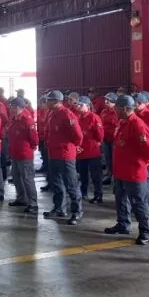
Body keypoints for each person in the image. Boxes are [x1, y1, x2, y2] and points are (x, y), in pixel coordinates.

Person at [104, 95, 149, 245]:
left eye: (117, 108)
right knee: (120, 199)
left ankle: (145, 232)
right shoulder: (123, 122)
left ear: (126, 108)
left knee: (139, 203)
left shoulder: (137, 125)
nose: (115, 111)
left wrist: (143, 163)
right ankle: (123, 224)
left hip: (133, 171)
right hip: (121, 170)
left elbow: (148, 150)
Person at [43, 90, 84, 225]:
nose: (46, 102)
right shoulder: (52, 113)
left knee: (71, 184)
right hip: (53, 154)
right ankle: (59, 208)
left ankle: (76, 212)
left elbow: (78, 136)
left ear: (56, 102)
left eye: (49, 100)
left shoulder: (67, 115)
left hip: (65, 154)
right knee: (57, 183)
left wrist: (72, 146)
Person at [8, 97, 39, 212]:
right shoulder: (14, 118)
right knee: (16, 177)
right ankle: (22, 198)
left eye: (12, 106)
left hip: (24, 154)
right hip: (15, 153)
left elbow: (34, 138)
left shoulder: (26, 120)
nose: (10, 108)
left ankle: (33, 203)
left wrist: (31, 148)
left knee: (27, 178)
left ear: (18, 107)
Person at [76, 96, 104, 204]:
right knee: (83, 175)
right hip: (81, 151)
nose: (78, 107)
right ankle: (83, 192)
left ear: (87, 106)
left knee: (95, 175)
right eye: (78, 105)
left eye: (81, 105)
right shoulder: (78, 118)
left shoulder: (94, 118)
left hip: (92, 151)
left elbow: (100, 136)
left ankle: (98, 194)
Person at [100, 93, 119, 186]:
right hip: (105, 139)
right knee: (108, 158)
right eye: (106, 100)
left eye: (109, 100)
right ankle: (109, 174)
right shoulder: (104, 111)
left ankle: (116, 177)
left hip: (115, 140)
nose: (106, 102)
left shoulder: (118, 112)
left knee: (116, 159)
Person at [37, 96, 49, 173]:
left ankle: (48, 169)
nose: (40, 105)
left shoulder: (49, 113)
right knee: (43, 153)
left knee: (47, 154)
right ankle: (44, 166)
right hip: (41, 136)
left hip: (46, 137)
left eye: (41, 103)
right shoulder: (39, 113)